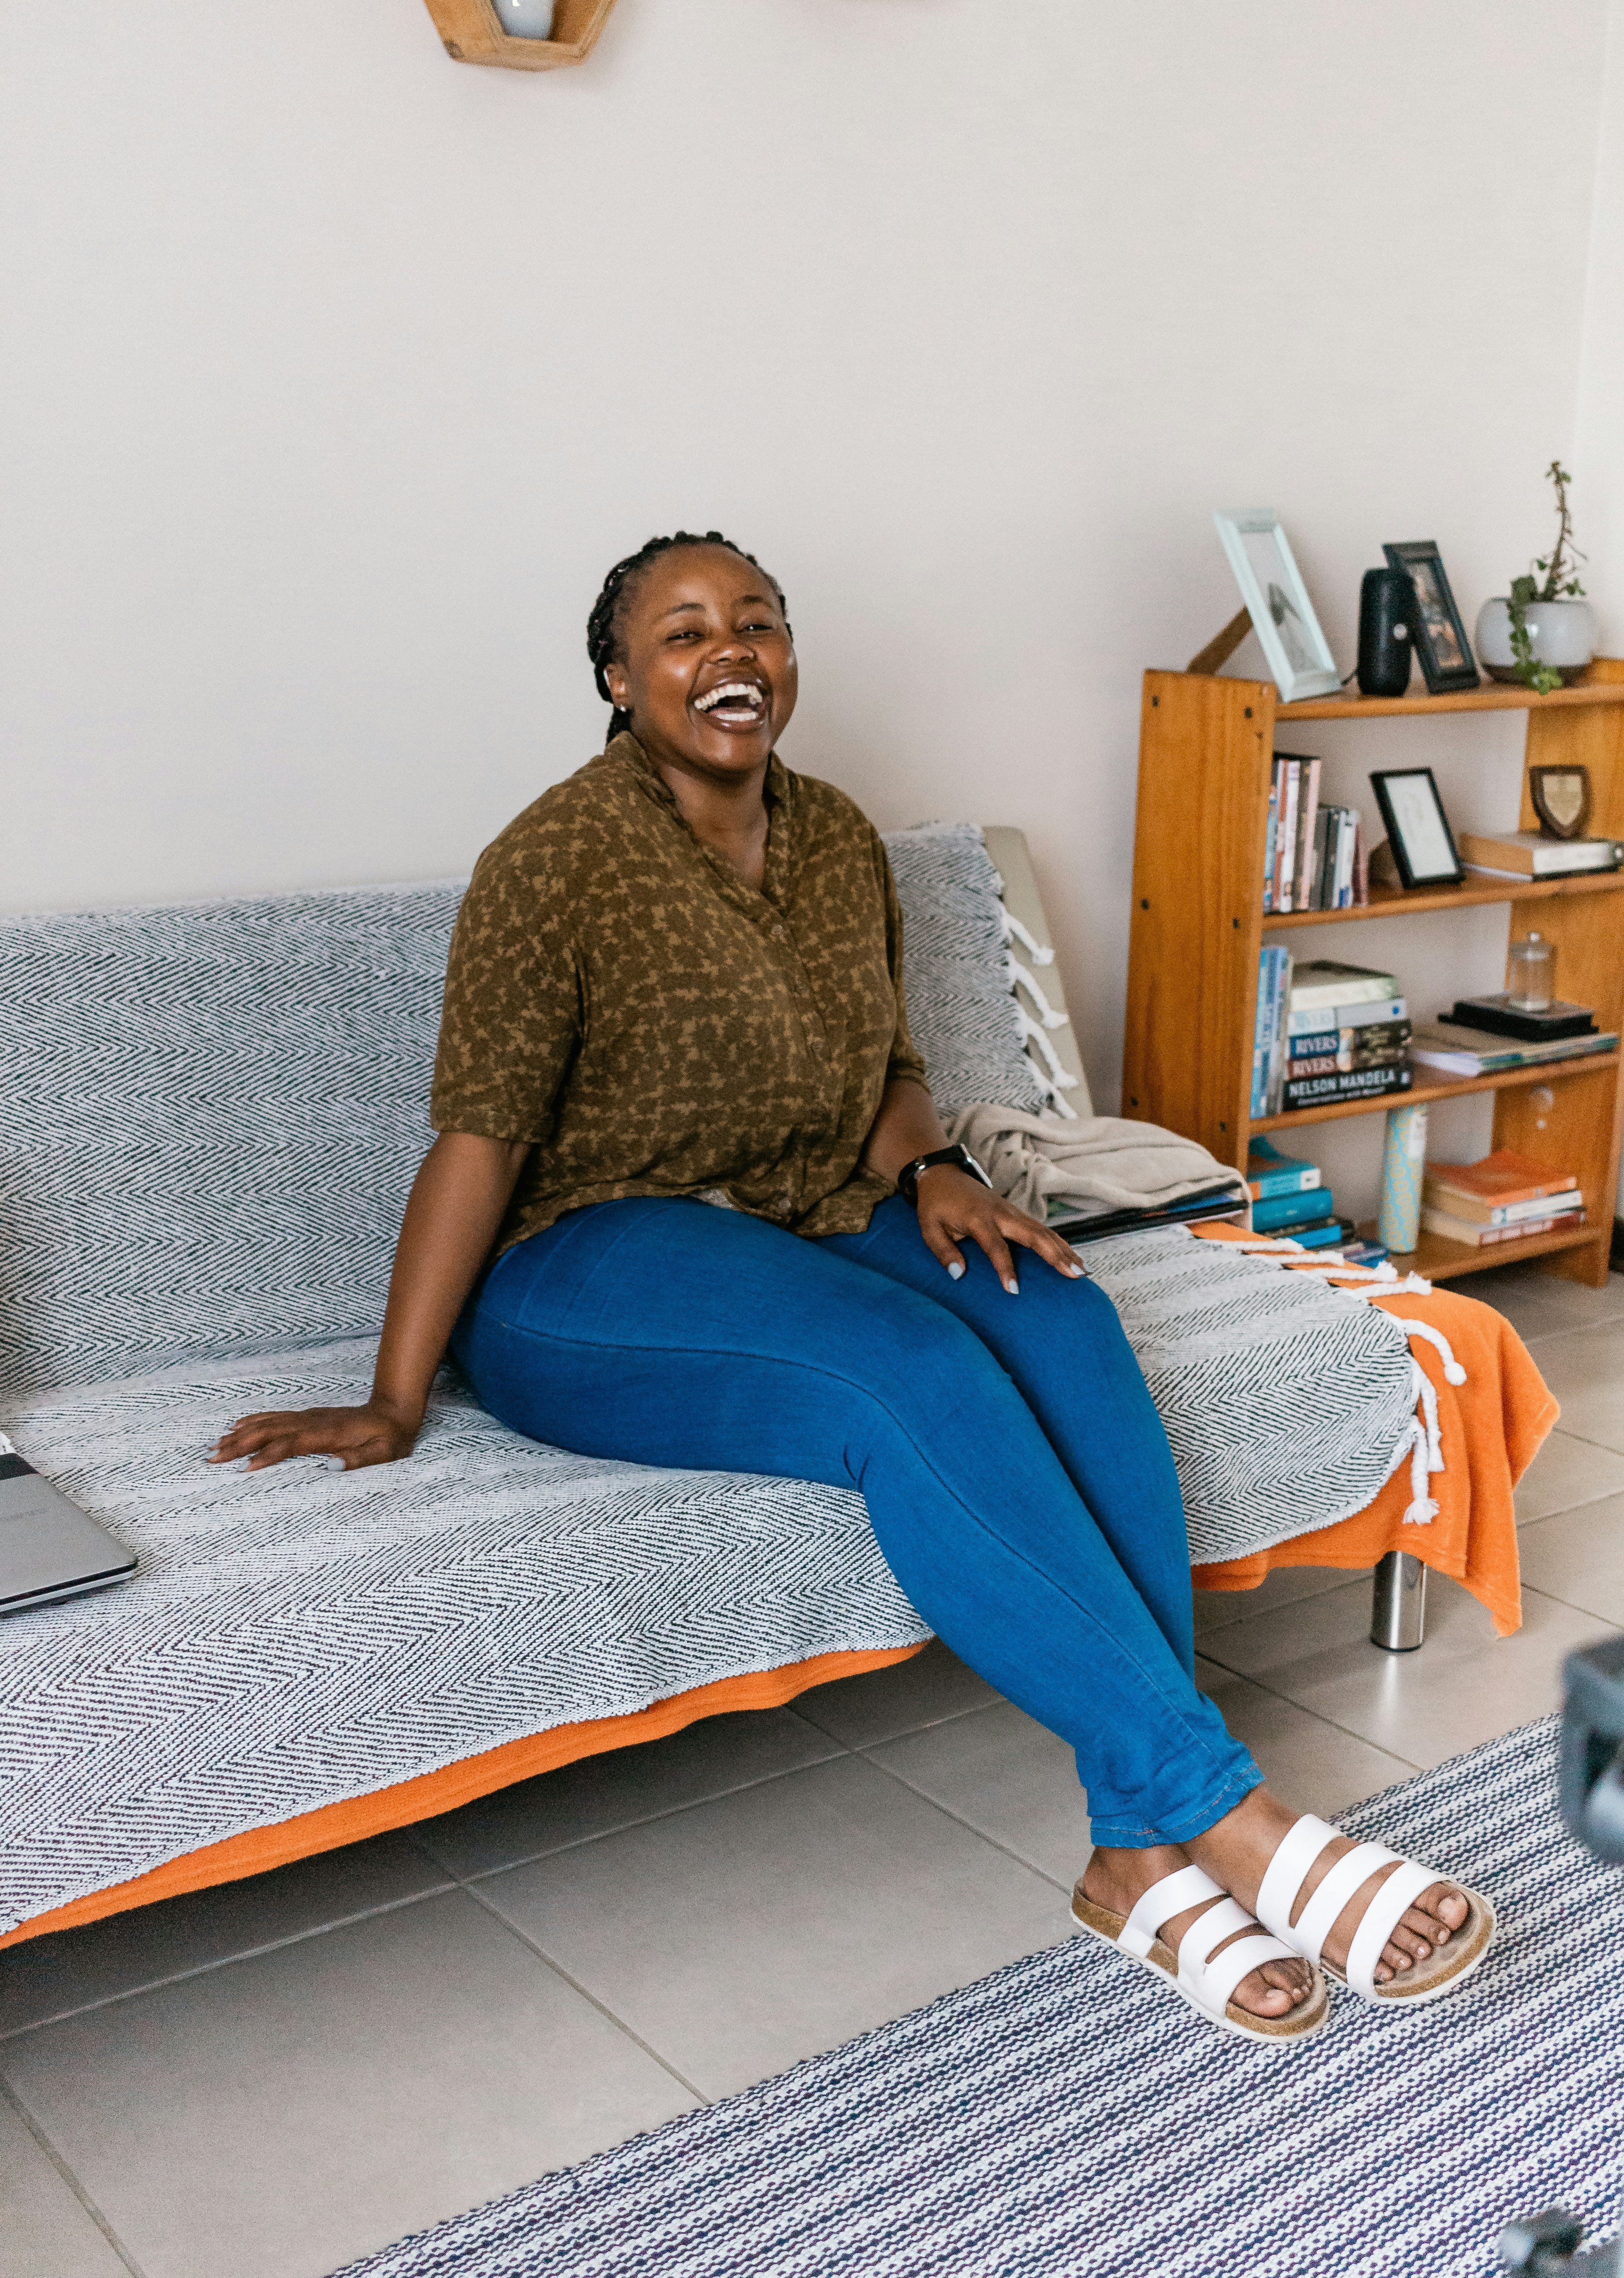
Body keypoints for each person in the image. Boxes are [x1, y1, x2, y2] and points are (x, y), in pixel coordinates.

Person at [213, 530, 1492, 2043]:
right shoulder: (552, 861)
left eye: (757, 623)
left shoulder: (835, 840)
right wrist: (392, 1394)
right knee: (908, 1367)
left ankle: (1133, 1851)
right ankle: (1224, 1817)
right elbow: (481, 1134)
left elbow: (887, 1074)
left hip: (815, 1215)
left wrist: (932, 1168)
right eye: (682, 634)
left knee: (1058, 1313)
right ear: (619, 681)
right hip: (591, 1263)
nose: (729, 653)